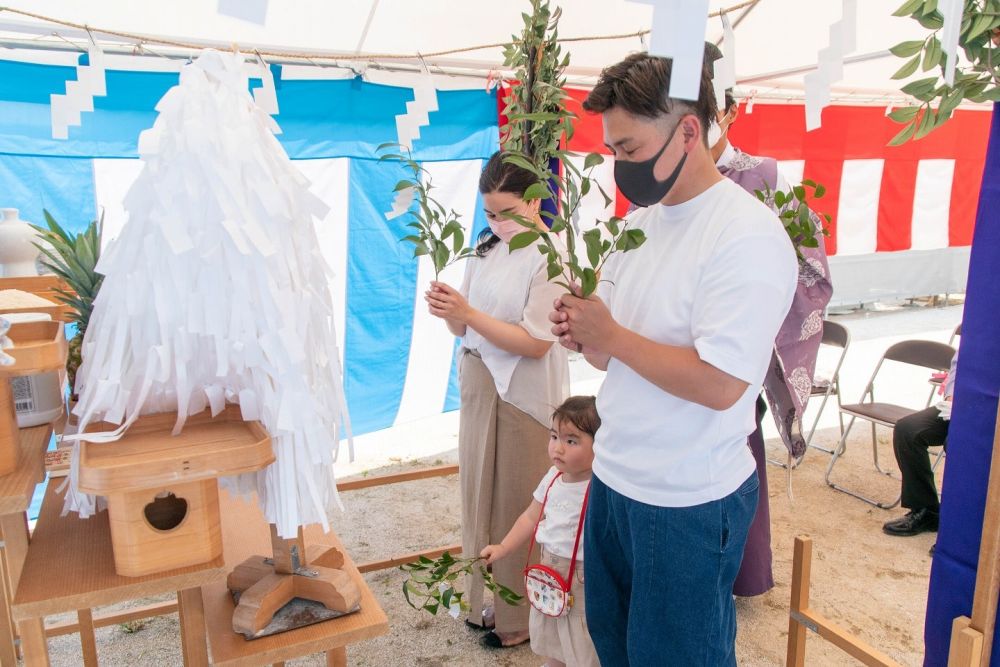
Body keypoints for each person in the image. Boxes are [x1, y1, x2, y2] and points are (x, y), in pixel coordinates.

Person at [549, 53, 797, 665]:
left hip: (688, 498)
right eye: (613, 149)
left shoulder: (747, 236)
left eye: (630, 148)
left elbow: (721, 385)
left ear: (689, 131)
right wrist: (584, 331)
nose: (620, 165)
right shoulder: (643, 224)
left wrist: (613, 336)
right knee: (618, 645)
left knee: (679, 655)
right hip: (614, 479)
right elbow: (611, 358)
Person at [703, 43, 834, 597]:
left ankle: (743, 574)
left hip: (736, 347)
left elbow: (812, 270)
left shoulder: (765, 179)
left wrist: (755, 315)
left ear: (729, 113)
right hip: (671, 344)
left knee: (735, 452)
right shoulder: (652, 184)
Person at [425, 151, 569, 649]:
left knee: (517, 501)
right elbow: (462, 327)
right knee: (477, 499)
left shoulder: (550, 254)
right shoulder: (485, 248)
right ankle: (478, 599)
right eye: (488, 212)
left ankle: (520, 620)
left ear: (533, 203)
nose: (497, 222)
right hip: (480, 382)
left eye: (506, 211)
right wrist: (449, 309)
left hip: (525, 395)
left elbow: (535, 341)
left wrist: (468, 312)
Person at [481, 395, 601, 667]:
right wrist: (502, 548)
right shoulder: (553, 477)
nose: (558, 448)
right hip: (548, 566)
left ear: (601, 445)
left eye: (571, 441)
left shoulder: (600, 486)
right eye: (554, 437)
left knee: (582, 638)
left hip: (583, 575)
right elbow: (530, 516)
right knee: (552, 625)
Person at [883, 353, 958, 537]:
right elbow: (961, 361)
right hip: (965, 403)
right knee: (908, 430)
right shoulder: (984, 327)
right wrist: (952, 395)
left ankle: (959, 526)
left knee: (958, 443)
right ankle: (926, 510)